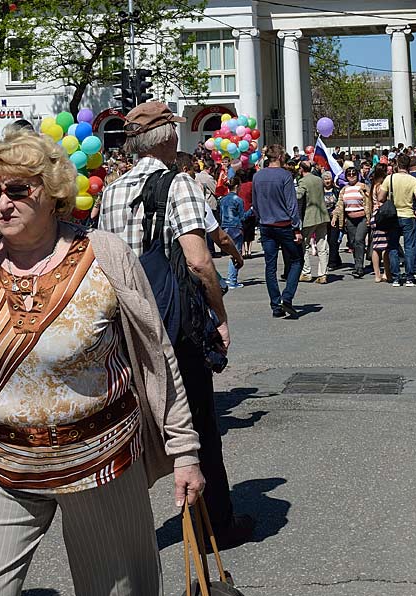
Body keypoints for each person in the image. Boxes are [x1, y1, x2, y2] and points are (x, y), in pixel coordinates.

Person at [0, 130, 205, 595]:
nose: (2, 204)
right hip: (3, 465)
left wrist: (185, 451)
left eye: (18, 189)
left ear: (52, 190)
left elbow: (158, 357)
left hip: (101, 463)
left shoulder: (105, 255)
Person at [99, 102, 253, 547]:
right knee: (197, 422)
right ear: (167, 137)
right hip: (174, 323)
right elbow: (199, 260)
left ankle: (127, 529)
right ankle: (214, 526)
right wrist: (220, 317)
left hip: (126, 321)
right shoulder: (179, 183)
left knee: (137, 426)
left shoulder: (111, 190)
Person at [252, 144, 303, 319]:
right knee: (296, 260)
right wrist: (296, 227)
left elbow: (255, 204)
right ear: (280, 157)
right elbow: (291, 204)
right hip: (284, 225)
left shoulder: (258, 176)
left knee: (270, 266)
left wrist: (261, 219)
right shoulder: (285, 175)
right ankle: (287, 297)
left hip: (266, 225)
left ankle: (275, 304)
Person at [377, 153, 416, 287]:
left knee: (393, 247)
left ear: (397, 164)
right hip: (408, 215)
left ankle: (396, 277)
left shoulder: (390, 178)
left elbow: (380, 198)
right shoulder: (413, 180)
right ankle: (409, 277)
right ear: (409, 165)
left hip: (392, 216)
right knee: (409, 247)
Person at [331, 166, 371, 279]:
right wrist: (335, 217)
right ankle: (357, 264)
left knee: (359, 240)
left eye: (354, 174)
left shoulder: (363, 187)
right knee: (353, 242)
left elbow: (371, 200)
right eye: (349, 174)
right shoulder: (344, 189)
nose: (351, 176)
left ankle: (359, 268)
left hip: (362, 218)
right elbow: (339, 205)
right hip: (350, 219)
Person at [296, 161, 330, 284]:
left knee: (304, 245)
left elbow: (299, 196)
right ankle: (323, 274)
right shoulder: (318, 179)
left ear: (301, 169)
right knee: (322, 245)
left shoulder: (303, 181)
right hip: (322, 214)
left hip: (309, 216)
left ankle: (306, 272)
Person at [368, 164, 392, 283]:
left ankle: (378, 274)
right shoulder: (381, 186)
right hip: (382, 216)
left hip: (375, 215)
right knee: (385, 248)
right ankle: (386, 273)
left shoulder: (373, 185)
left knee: (376, 246)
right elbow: (382, 200)